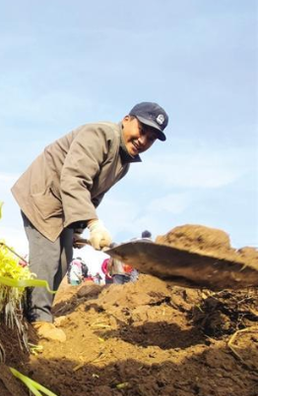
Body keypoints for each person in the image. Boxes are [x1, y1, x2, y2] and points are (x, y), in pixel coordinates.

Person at [11, 102, 168, 340]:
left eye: (151, 138)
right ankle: (37, 320)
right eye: (142, 130)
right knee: (49, 255)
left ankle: (43, 313)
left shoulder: (123, 163)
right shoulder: (101, 135)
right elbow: (74, 179)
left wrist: (78, 228)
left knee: (65, 258)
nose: (143, 140)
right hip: (43, 194)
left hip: (64, 206)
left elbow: (94, 195)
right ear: (126, 119)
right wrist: (94, 224)